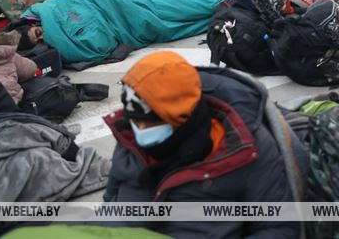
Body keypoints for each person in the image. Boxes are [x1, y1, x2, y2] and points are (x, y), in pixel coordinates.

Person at [103, 51, 301, 239]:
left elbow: (279, 227)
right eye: (136, 122)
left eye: (153, 123)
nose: (142, 131)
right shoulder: (129, 136)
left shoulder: (245, 150)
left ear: (184, 116)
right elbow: (111, 196)